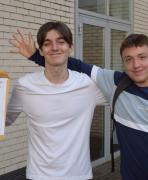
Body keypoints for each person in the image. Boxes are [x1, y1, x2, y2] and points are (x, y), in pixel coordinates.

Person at [9, 26, 148, 180]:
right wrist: (35, 56)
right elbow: (74, 65)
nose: (136, 64)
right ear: (123, 63)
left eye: (142, 57)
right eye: (129, 59)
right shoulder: (117, 86)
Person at [6, 21, 107, 180]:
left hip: (79, 175)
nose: (54, 48)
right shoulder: (25, 85)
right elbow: (4, 119)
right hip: (38, 175)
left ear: (70, 47)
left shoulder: (88, 85)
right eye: (47, 44)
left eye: (61, 42)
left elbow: (124, 91)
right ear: (40, 50)